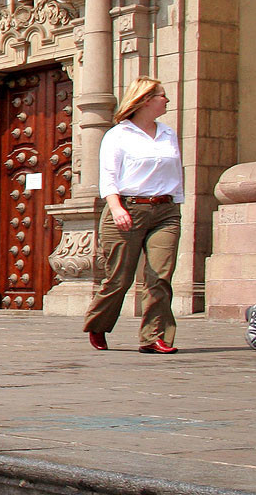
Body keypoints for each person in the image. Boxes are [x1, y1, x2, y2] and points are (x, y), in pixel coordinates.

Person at [83, 76, 183, 354]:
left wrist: (176, 202)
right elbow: (109, 176)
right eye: (162, 95)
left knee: (160, 276)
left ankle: (154, 337)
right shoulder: (118, 135)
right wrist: (116, 208)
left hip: (165, 211)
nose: (167, 100)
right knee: (119, 279)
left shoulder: (168, 133)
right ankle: (99, 323)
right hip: (127, 208)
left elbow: (176, 172)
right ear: (146, 100)